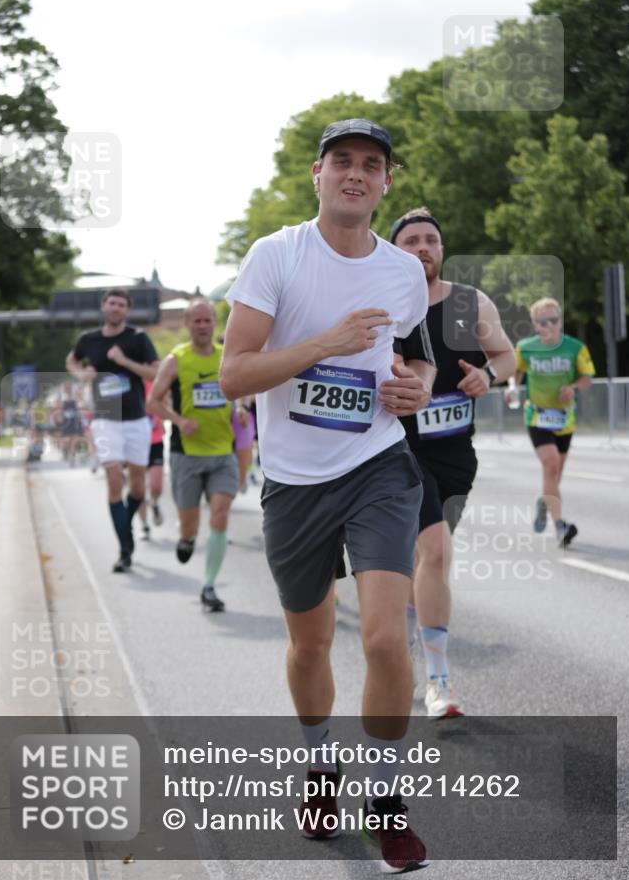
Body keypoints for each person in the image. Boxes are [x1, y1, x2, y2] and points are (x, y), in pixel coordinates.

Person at [220, 119, 436, 872]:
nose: (355, 173)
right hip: (293, 479)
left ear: (384, 182)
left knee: (382, 638)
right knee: (311, 645)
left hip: (376, 463)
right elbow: (234, 376)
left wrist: (413, 390)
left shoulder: (402, 273)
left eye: (370, 164)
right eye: (341, 160)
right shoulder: (275, 256)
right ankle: (319, 767)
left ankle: (384, 799)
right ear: (317, 173)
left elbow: (408, 355)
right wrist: (323, 344)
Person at [390, 209, 516, 719]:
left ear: (442, 249)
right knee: (435, 552)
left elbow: (506, 356)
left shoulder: (470, 301)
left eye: (431, 240)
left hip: (455, 452)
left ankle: (408, 619)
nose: (423, 248)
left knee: (428, 562)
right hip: (397, 448)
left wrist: (488, 375)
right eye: (412, 241)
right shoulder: (385, 302)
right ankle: (438, 682)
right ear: (395, 250)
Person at [148, 298, 241, 612]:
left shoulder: (226, 356)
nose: (203, 326)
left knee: (220, 515)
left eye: (208, 320)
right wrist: (179, 421)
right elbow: (154, 403)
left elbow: (236, 391)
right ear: (187, 324)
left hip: (222, 451)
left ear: (215, 323)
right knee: (190, 525)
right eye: (197, 321)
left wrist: (240, 410)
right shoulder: (176, 359)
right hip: (186, 453)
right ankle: (186, 539)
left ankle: (209, 585)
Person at [65, 288, 159, 572]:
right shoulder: (88, 340)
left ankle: (125, 524)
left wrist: (125, 362)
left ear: (127, 310)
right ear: (103, 306)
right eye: (112, 303)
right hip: (105, 419)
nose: (116, 308)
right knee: (115, 477)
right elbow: (71, 360)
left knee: (138, 486)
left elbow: (156, 372)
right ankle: (125, 549)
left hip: (136, 419)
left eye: (121, 304)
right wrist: (81, 374)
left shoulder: (138, 338)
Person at [505, 297, 595, 547]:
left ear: (560, 321)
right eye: (543, 321)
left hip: (565, 419)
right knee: (551, 464)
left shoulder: (576, 348)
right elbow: (516, 370)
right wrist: (512, 387)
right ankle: (560, 526)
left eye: (554, 320)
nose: (550, 325)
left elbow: (587, 378)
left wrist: (574, 387)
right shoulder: (525, 347)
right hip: (537, 415)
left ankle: (545, 501)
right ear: (535, 325)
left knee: (555, 474)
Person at [138, 379, 165, 539]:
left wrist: (160, 420)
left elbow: (163, 403)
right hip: (135, 443)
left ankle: (154, 503)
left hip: (155, 440)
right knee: (139, 487)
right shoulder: (123, 381)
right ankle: (144, 525)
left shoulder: (153, 382)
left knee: (156, 487)